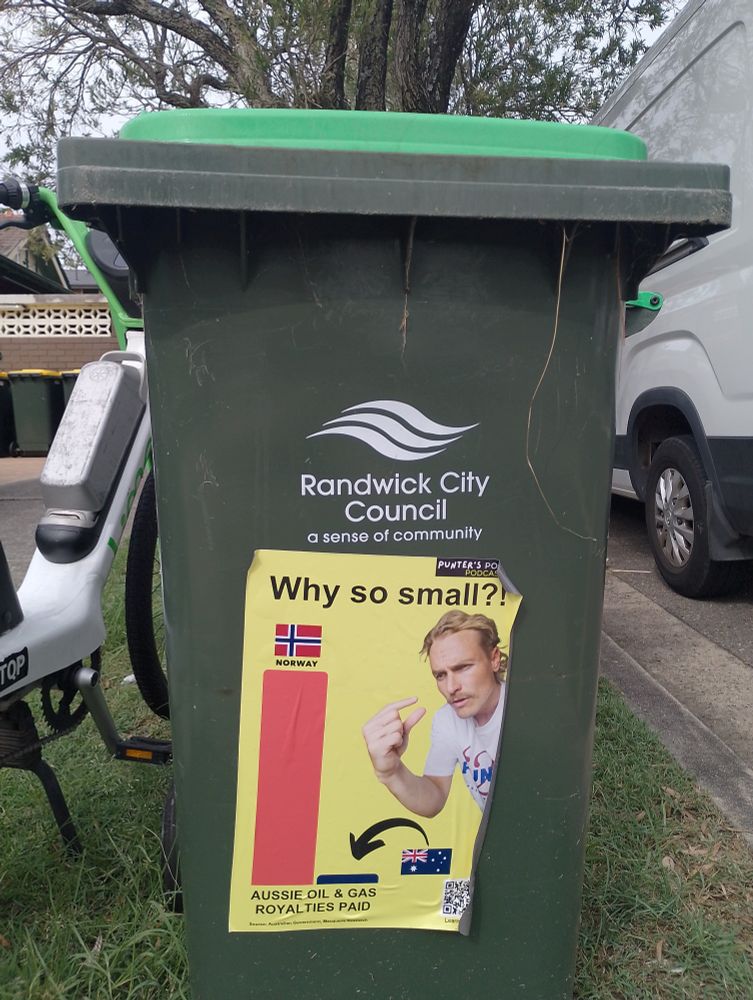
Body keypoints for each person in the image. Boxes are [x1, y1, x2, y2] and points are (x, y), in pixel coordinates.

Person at [361, 610, 508, 818]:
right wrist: (392, 773)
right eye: (440, 675)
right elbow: (434, 796)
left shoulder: (526, 707)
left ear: (494, 659)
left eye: (463, 668)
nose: (451, 687)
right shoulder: (447, 719)